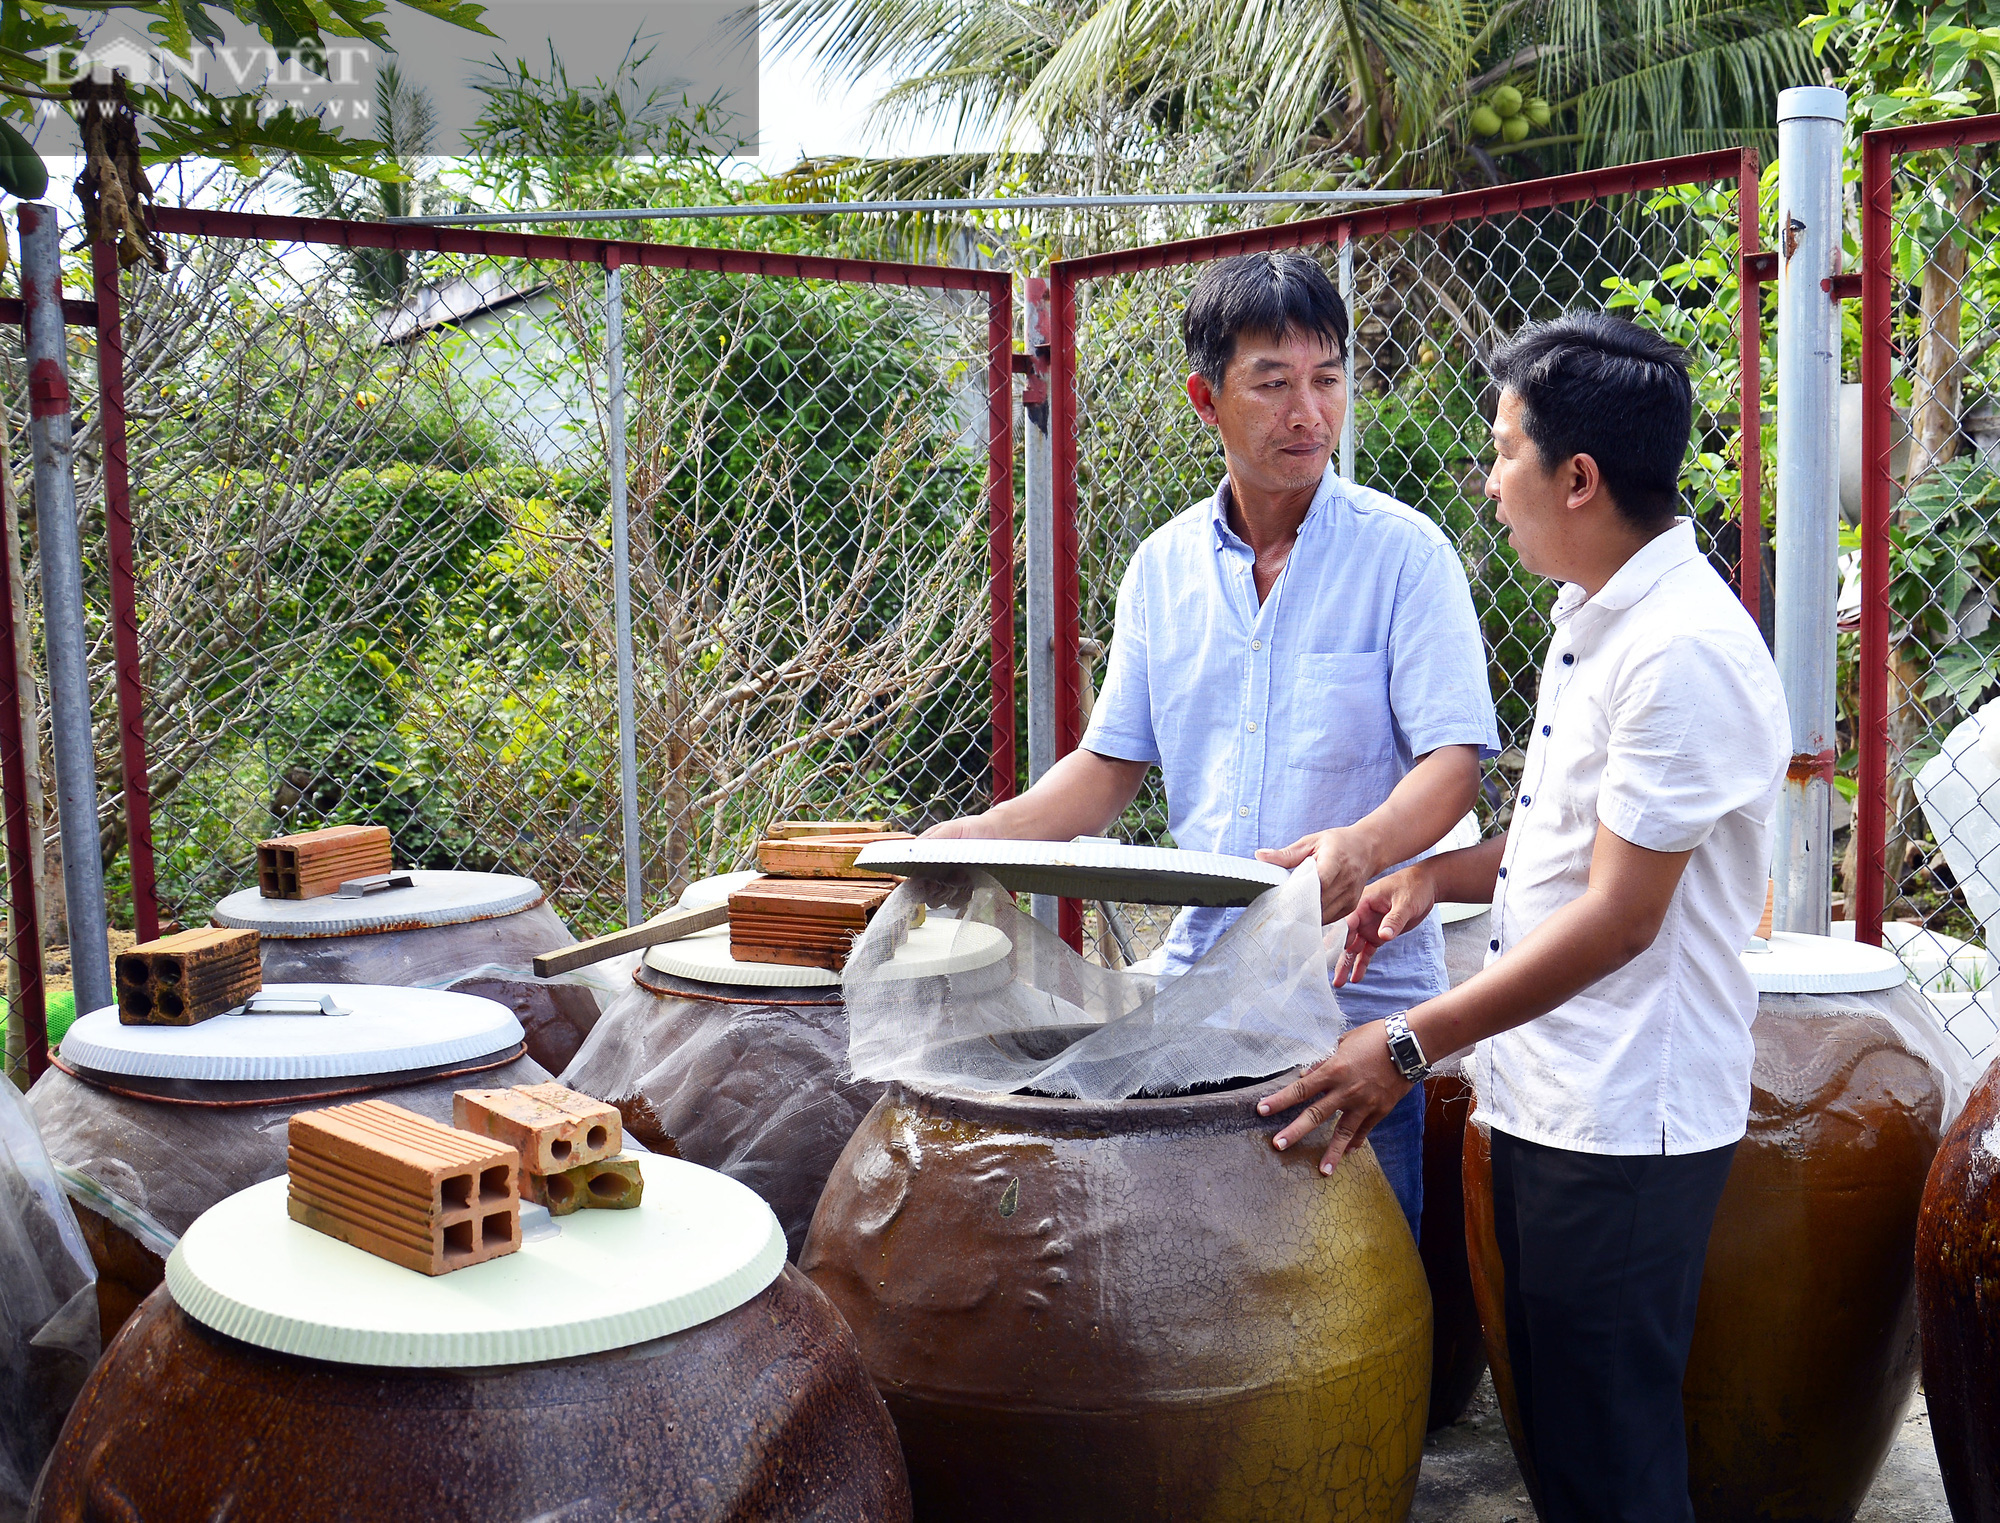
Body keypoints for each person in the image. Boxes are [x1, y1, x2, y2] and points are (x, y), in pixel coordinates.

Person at [1263, 311, 1789, 1521]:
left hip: (1624, 1124)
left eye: (1501, 451)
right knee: (1556, 1443)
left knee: (1608, 1457)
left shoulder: (1678, 650)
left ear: (1578, 476)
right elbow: (1566, 845)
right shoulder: (1597, 615)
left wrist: (1403, 1044)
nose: (1487, 480)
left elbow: (1615, 918)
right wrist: (1432, 879)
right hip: (1549, 1098)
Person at [927, 251, 1499, 1236]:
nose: (1306, 413)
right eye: (1271, 383)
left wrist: (1359, 846)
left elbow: (1451, 764)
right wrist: (973, 838)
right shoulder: (1162, 568)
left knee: (1367, 1310)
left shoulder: (1404, 555)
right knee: (1201, 1290)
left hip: (1356, 1001)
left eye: (1326, 380)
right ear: (1205, 397)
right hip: (1204, 994)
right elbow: (1107, 770)